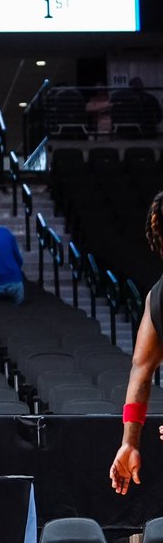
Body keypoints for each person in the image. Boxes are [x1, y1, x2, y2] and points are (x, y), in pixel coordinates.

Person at [110, 190, 163, 494]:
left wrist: (129, 442)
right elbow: (141, 371)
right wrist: (128, 443)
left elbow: (140, 372)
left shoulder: (157, 298)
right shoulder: (157, 299)